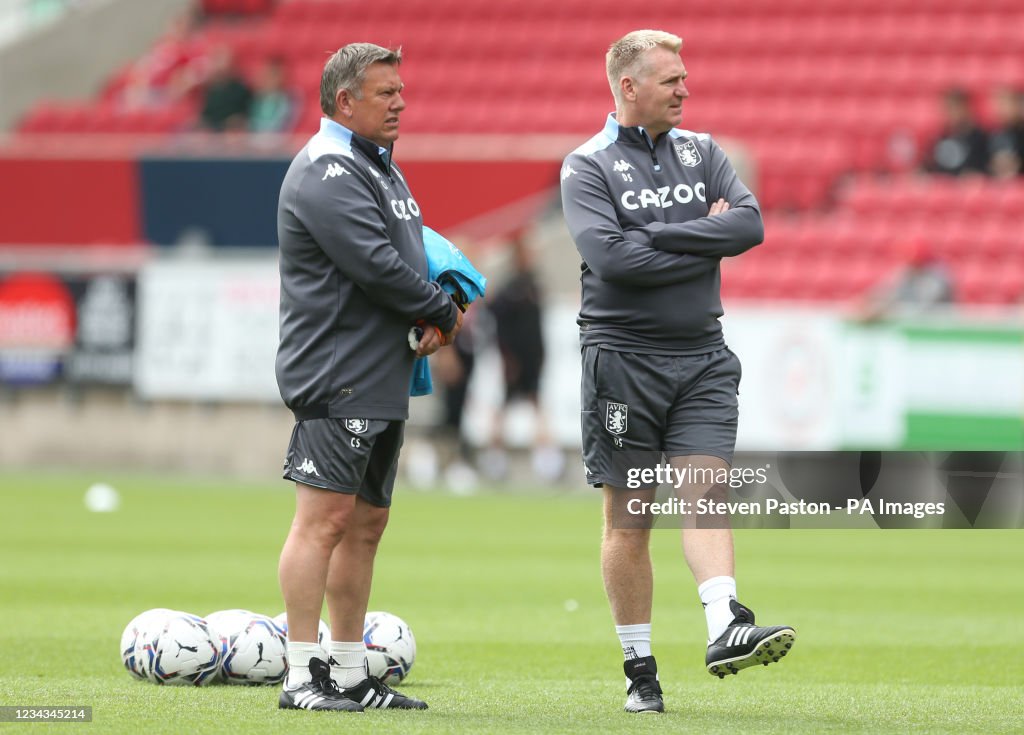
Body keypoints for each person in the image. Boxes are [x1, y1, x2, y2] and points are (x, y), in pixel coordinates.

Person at [560, 30, 796, 714]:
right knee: (630, 520)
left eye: (684, 78)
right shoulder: (587, 165)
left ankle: (725, 622)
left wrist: (657, 234)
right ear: (629, 87)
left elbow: (749, 226)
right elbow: (612, 261)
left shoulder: (705, 150)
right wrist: (700, 232)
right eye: (671, 80)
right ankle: (640, 668)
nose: (685, 89)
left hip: (703, 356)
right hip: (623, 364)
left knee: (707, 492)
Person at [275, 42, 463, 713]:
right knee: (322, 520)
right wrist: (443, 309)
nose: (400, 102)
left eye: (401, 90)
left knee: (366, 523)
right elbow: (377, 263)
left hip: (381, 369)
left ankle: (351, 672)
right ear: (345, 101)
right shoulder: (326, 169)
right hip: (337, 370)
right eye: (386, 93)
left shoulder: (378, 169)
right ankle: (302, 676)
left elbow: (410, 252)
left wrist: (446, 296)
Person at [858, 238, 955, 322]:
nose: (911, 267)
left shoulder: (937, 277)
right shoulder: (907, 272)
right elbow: (888, 290)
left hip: (937, 328)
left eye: (915, 263)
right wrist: (869, 301)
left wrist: (887, 311)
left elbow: (925, 309)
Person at [924, 88, 989, 176]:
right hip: (943, 187)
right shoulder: (941, 138)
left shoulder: (979, 138)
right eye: (948, 108)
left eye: (955, 108)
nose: (952, 113)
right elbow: (930, 165)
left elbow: (986, 168)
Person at [198, 46, 252, 131]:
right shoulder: (210, 89)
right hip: (211, 132)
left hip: (232, 133)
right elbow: (206, 114)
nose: (220, 65)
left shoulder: (240, 89)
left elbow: (246, 113)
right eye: (217, 60)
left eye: (222, 60)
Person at [249, 58, 297, 133]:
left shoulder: (288, 99)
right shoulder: (257, 98)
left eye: (273, 76)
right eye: (267, 76)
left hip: (278, 139)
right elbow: (252, 120)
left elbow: (284, 123)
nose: (269, 80)